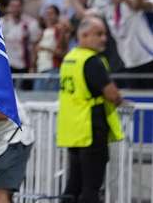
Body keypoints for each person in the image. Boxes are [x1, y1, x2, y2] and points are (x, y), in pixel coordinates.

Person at [57, 16, 126, 203]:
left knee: (73, 185)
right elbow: (112, 95)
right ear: (84, 35)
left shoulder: (69, 59)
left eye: (105, 34)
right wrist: (120, 100)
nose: (104, 38)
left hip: (73, 130)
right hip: (91, 129)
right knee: (91, 187)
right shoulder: (92, 61)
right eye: (99, 34)